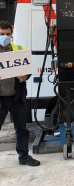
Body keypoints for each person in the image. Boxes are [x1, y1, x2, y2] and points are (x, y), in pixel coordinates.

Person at [0, 20, 40, 166]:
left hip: (17, 97)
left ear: (12, 34)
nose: (5, 36)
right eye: (1, 34)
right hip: (0, 100)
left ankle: (23, 157)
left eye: (7, 34)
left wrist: (25, 76)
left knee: (22, 129)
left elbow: (27, 70)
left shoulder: (19, 49)